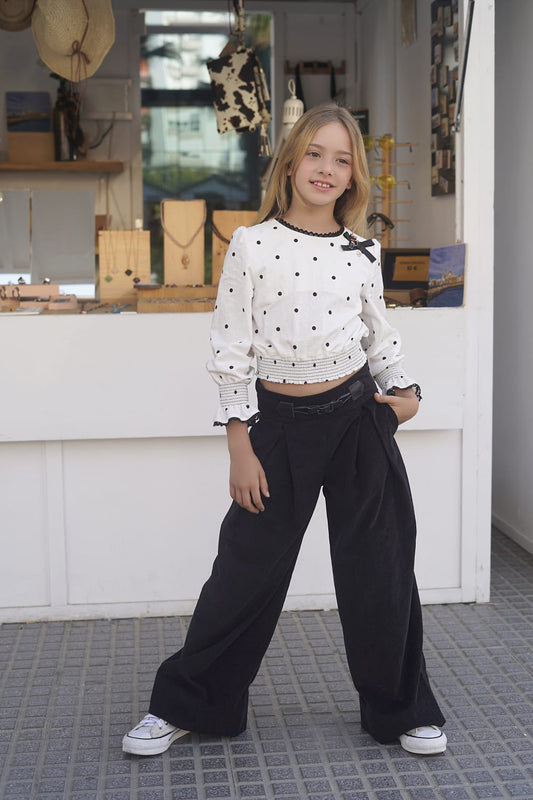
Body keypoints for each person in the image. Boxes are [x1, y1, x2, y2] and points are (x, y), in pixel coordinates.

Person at [123, 103, 446, 758]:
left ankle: (399, 708)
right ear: (291, 161)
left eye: (342, 159)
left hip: (357, 422)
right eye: (315, 153)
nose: (327, 168)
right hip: (276, 429)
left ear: (353, 175)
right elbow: (231, 349)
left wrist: (407, 395)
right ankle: (189, 703)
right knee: (243, 572)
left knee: (380, 571)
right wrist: (239, 444)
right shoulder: (252, 244)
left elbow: (379, 337)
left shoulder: (362, 251)